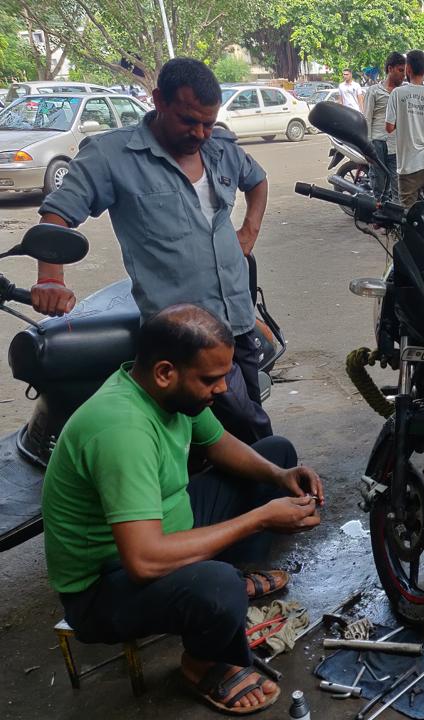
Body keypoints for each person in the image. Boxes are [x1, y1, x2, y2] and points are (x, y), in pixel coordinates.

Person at [42, 304, 324, 715]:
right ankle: (201, 665)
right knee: (219, 588)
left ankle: (222, 577)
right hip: (105, 585)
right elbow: (142, 560)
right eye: (211, 379)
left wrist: (281, 475)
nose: (223, 389)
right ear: (164, 372)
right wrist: (260, 519)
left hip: (167, 528)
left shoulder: (168, 395)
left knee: (276, 454)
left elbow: (219, 443)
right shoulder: (122, 430)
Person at [34, 57, 272, 445]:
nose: (199, 132)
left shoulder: (220, 147)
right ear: (158, 100)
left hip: (238, 316)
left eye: (208, 123)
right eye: (188, 120)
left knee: (240, 424)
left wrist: (249, 232)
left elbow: (257, 180)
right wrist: (50, 279)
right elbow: (56, 216)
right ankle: (273, 490)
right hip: (183, 337)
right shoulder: (112, 156)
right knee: (247, 427)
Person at [385, 49, 424, 208]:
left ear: (408, 69)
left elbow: (389, 127)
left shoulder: (397, 94)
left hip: (408, 167)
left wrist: (406, 120)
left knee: (408, 217)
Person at [364, 52, 405, 201]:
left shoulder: (403, 93)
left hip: (396, 145)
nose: (403, 75)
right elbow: (367, 119)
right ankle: (379, 217)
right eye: (400, 71)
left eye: (405, 71)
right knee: (379, 184)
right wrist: (366, 147)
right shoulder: (374, 91)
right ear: (390, 69)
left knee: (397, 183)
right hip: (377, 143)